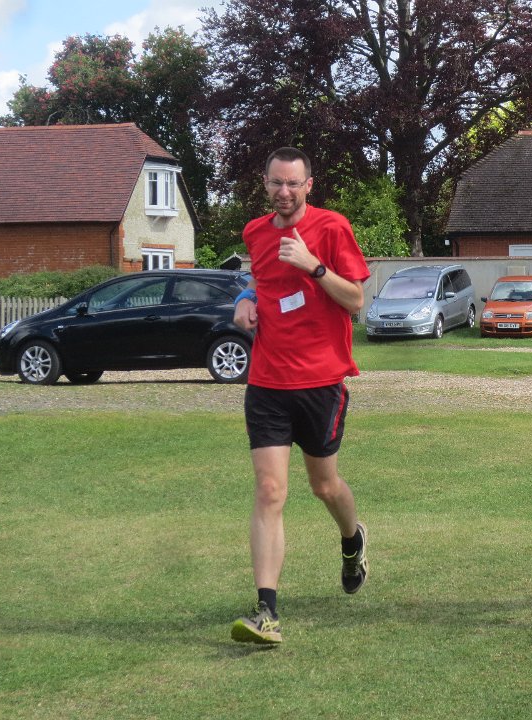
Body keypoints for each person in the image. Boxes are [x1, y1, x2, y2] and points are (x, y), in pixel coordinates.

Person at [230, 147, 371, 645]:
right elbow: (260, 278)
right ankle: (266, 612)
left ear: (309, 185)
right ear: (265, 183)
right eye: (276, 183)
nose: (284, 192)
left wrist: (314, 267)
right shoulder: (255, 232)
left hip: (321, 382)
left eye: (293, 183)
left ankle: (352, 539)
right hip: (267, 382)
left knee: (324, 486)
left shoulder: (332, 228)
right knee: (270, 491)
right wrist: (244, 300)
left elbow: (356, 300)